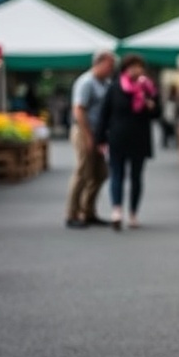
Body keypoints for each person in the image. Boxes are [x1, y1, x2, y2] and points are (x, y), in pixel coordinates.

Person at [95, 54, 160, 230]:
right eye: (133, 67)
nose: (136, 70)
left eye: (139, 67)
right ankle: (117, 210)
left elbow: (158, 113)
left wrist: (151, 106)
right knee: (117, 174)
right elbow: (104, 114)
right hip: (118, 138)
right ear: (125, 69)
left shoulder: (149, 88)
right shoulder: (115, 88)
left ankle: (133, 213)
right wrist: (100, 138)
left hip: (139, 138)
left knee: (136, 177)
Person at [64, 51, 116, 229]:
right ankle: (72, 213)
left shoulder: (106, 83)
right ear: (99, 63)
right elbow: (79, 110)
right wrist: (88, 136)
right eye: (110, 65)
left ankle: (88, 210)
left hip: (99, 134)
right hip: (84, 131)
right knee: (83, 171)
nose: (112, 69)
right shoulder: (86, 82)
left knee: (100, 173)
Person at [161, 85, 179, 149]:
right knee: (169, 131)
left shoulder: (171, 98)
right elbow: (171, 109)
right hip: (169, 116)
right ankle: (167, 143)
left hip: (168, 116)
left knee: (167, 132)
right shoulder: (173, 99)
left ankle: (166, 143)